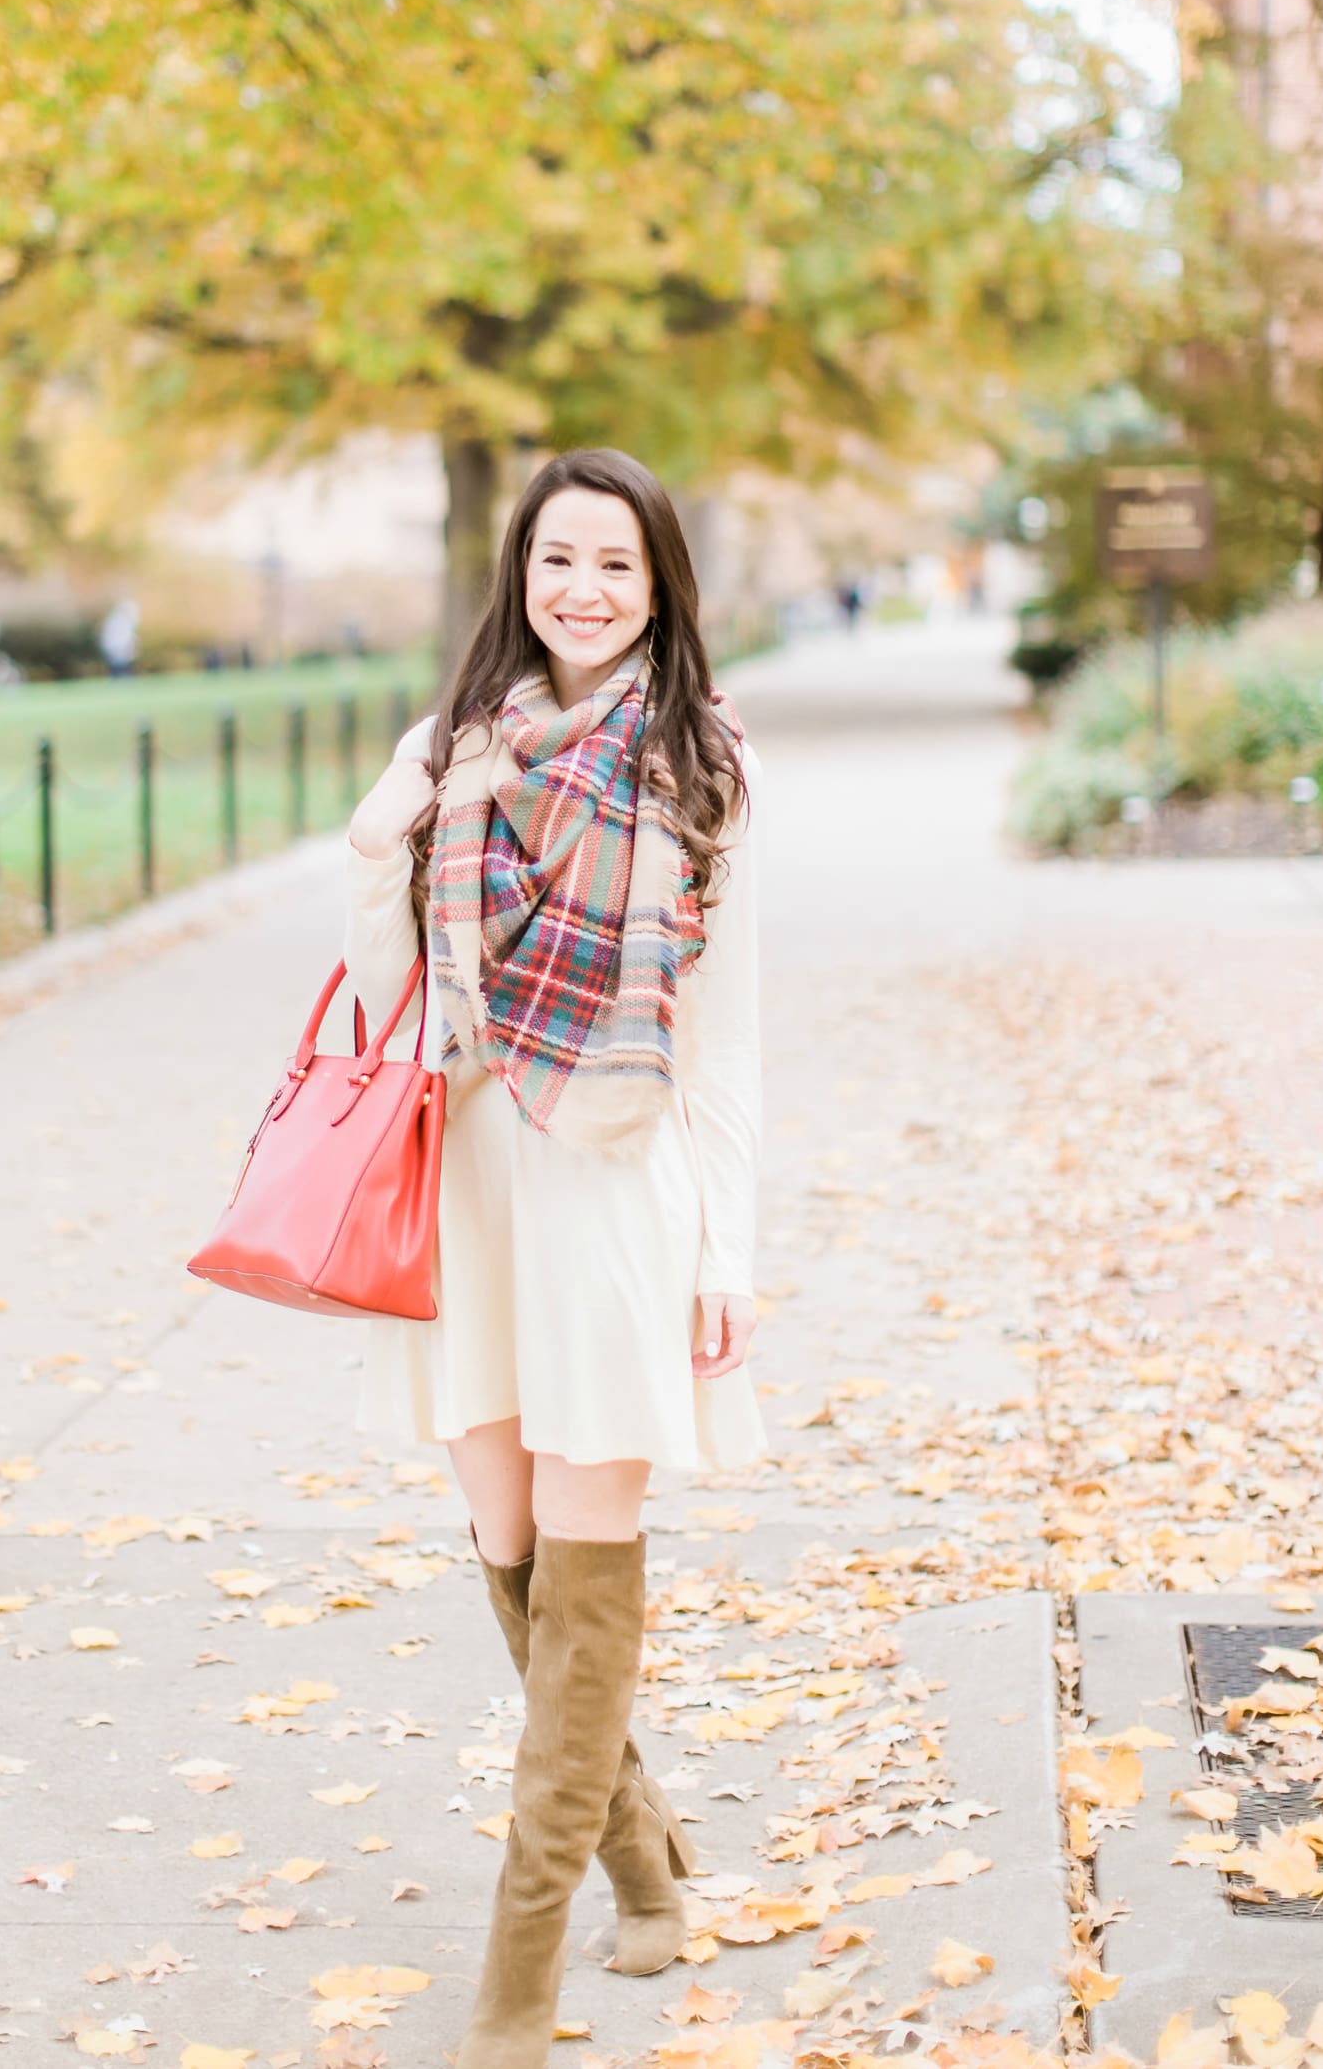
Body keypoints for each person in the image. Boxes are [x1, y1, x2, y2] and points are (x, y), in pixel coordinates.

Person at [344, 447, 765, 2068]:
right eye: (557, 560)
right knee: (516, 1554)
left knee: (591, 1555)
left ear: (659, 587)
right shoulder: (450, 749)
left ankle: (516, 1979)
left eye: (617, 565)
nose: (582, 589)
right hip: (472, 1187)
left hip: (615, 1189)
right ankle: (645, 1853)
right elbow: (394, 997)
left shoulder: (703, 769)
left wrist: (729, 1253)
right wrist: (384, 839)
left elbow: (729, 1044)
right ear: (520, 573)